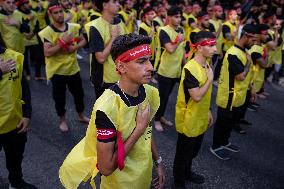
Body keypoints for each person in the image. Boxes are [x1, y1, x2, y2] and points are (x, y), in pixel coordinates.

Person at [59, 33, 166, 189]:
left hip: (144, 175)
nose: (151, 67)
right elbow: (106, 168)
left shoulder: (149, 92)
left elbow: (148, 131)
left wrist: (158, 162)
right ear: (121, 67)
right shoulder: (107, 107)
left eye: (149, 59)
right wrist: (138, 129)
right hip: (120, 183)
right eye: (141, 61)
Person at [173, 31, 216, 188]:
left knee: (193, 151)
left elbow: (204, 97)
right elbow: (196, 96)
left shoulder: (206, 64)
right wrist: (210, 79)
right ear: (198, 47)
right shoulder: (190, 68)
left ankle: (187, 172)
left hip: (200, 116)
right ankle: (178, 181)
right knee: (183, 153)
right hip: (188, 117)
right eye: (211, 45)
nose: (215, 49)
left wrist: (209, 110)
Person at [38, 1, 89, 132]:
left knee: (79, 95)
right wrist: (62, 42)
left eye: (61, 11)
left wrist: (74, 47)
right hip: (57, 72)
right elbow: (47, 52)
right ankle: (62, 120)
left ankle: (81, 115)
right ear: (50, 14)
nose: (60, 15)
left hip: (73, 69)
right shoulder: (47, 32)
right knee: (59, 98)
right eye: (56, 13)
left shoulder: (73, 27)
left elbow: (83, 40)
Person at [210, 24, 258, 160]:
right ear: (246, 36)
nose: (254, 44)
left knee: (230, 122)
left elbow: (246, 77)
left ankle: (225, 142)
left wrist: (252, 88)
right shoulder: (233, 53)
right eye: (253, 40)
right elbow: (240, 76)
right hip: (229, 96)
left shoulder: (244, 51)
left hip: (239, 95)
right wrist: (249, 62)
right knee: (223, 122)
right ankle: (216, 146)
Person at [0, 33, 37, 189]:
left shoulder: (14, 56)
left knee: (15, 157)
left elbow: (24, 89)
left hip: (15, 123)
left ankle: (16, 182)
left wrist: (27, 114)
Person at [85, 0, 127, 99]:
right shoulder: (95, 27)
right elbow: (100, 58)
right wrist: (113, 38)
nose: (118, 4)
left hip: (122, 76)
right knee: (104, 112)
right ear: (104, 5)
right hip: (104, 81)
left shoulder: (120, 22)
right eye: (114, 1)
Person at [154, 6, 185, 132]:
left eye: (180, 17)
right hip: (166, 70)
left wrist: (185, 65)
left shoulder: (181, 29)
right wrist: (178, 40)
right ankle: (156, 120)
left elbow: (182, 50)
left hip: (176, 70)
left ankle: (160, 117)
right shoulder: (163, 30)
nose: (179, 19)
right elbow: (170, 49)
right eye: (176, 17)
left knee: (167, 96)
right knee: (163, 96)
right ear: (169, 17)